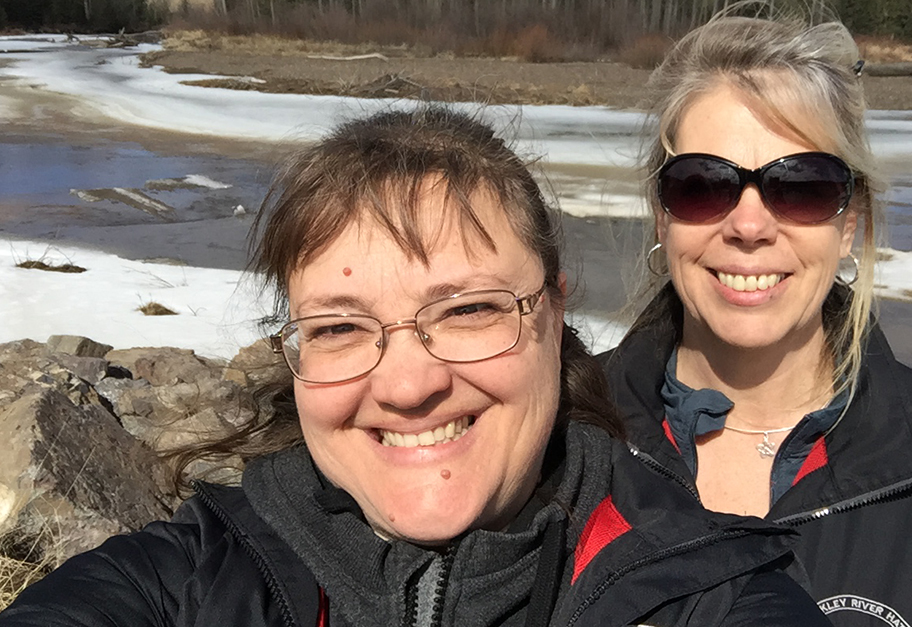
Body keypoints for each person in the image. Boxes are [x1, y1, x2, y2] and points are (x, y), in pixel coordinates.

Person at [0, 107, 828, 626]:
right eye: (339, 327)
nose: (405, 384)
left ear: (554, 312)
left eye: (467, 311)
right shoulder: (198, 576)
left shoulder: (700, 592)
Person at [601, 9, 912, 627]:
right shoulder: (562, 437)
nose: (750, 226)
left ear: (850, 223)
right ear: (662, 216)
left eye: (802, 185)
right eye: (704, 183)